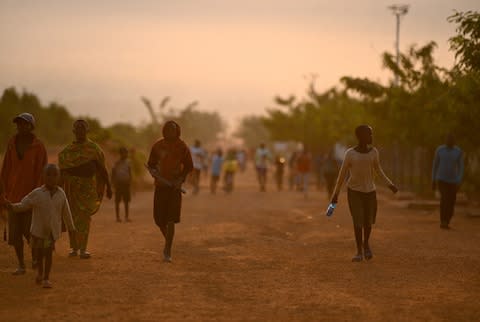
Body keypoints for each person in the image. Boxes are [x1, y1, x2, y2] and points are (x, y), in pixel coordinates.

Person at [331, 125, 398, 262]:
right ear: (361, 136)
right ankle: (359, 251)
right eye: (369, 134)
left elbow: (378, 170)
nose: (372, 137)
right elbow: (342, 175)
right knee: (358, 221)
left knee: (368, 222)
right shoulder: (350, 154)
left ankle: (366, 243)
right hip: (354, 191)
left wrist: (390, 184)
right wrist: (335, 194)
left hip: (370, 191)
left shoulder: (374, 152)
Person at [4, 164, 76, 288]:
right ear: (42, 176)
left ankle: (45, 278)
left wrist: (71, 228)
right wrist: (12, 207)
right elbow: (24, 204)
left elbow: (66, 213)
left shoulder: (61, 195)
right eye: (48, 175)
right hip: (37, 231)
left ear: (59, 178)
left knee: (48, 254)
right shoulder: (37, 193)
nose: (51, 178)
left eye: (54, 175)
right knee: (39, 254)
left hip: (51, 232)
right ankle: (40, 273)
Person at [0, 113, 48, 275]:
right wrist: (3, 193)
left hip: (31, 197)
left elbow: (42, 172)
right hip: (13, 197)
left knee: (31, 233)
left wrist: (38, 195)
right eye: (19, 124)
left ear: (31, 126)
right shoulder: (12, 144)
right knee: (15, 235)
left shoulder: (39, 146)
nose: (21, 127)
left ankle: (35, 258)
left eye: (24, 124)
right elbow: (6, 169)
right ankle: (21, 265)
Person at [58, 119, 112, 259]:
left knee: (84, 218)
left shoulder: (94, 149)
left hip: (88, 188)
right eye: (77, 128)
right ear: (74, 131)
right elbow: (62, 170)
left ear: (87, 130)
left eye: (83, 128)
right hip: (71, 188)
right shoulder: (67, 151)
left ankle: (83, 249)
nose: (80, 130)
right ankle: (74, 248)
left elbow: (102, 169)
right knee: (71, 217)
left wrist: (109, 186)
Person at [147, 121, 193, 262]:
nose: (169, 132)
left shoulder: (182, 146)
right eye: (167, 129)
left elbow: (188, 166)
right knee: (159, 220)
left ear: (177, 131)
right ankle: (169, 240)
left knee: (171, 219)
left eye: (172, 130)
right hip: (160, 187)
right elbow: (151, 165)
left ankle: (167, 250)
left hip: (174, 188)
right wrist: (154, 173)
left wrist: (180, 180)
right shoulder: (157, 146)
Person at [432, 133, 464, 230]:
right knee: (444, 199)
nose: (449, 141)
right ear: (445, 141)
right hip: (441, 179)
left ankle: (448, 219)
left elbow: (461, 167)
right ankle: (443, 221)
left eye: (451, 140)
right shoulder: (440, 150)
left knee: (451, 201)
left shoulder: (458, 151)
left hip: (453, 181)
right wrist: (433, 179)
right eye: (447, 140)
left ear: (454, 142)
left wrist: (459, 180)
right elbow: (435, 165)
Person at [111, 147, 132, 223]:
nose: (126, 154)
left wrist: (130, 181)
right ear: (121, 154)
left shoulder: (128, 162)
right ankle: (118, 217)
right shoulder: (117, 163)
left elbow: (129, 173)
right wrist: (113, 183)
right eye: (124, 153)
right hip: (119, 184)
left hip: (126, 184)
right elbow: (113, 173)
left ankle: (126, 217)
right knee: (117, 201)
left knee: (126, 201)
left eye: (126, 153)